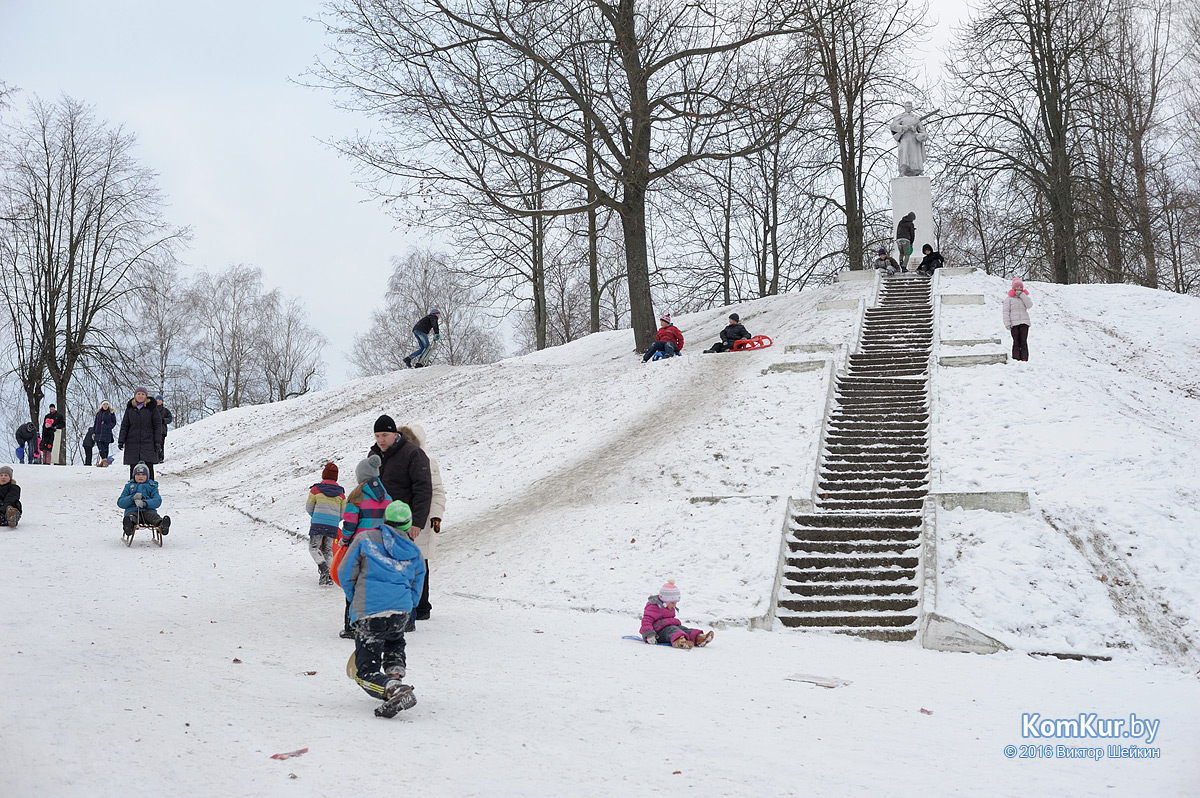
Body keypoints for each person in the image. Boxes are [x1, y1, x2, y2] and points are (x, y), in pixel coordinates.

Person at [339, 499, 424, 717]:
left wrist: (356, 598)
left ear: (384, 520)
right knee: (395, 641)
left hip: (371, 610)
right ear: (408, 524)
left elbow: (345, 573)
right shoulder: (414, 552)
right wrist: (408, 605)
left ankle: (393, 689)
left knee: (364, 671)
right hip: (400, 612)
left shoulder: (364, 539)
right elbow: (417, 585)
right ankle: (394, 677)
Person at [369, 414, 433, 630]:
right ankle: (384, 612)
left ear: (395, 434)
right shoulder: (375, 454)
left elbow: (424, 490)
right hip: (379, 521)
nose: (381, 440)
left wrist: (417, 522)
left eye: (385, 435)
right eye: (378, 436)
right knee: (383, 567)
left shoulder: (413, 454)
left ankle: (409, 617)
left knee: (405, 569)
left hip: (403, 523)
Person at [338, 454, 394, 638]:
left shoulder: (356, 497)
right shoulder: (387, 497)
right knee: (375, 586)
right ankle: (376, 625)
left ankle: (352, 626)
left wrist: (344, 540)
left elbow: (349, 524)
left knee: (354, 584)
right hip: (381, 547)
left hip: (360, 547)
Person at [400, 424, 444, 621]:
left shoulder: (427, 462)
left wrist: (436, 516)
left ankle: (422, 606)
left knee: (420, 562)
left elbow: (436, 492)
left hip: (422, 518)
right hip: (399, 517)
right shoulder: (396, 461)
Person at [639, 580, 714, 649]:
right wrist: (650, 635)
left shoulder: (668, 607)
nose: (674, 605)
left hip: (668, 629)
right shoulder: (654, 607)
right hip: (656, 633)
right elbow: (646, 620)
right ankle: (680, 641)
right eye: (672, 603)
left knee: (682, 628)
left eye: (676, 603)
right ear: (665, 601)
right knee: (672, 629)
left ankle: (699, 638)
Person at [306, 461, 346, 586]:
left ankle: (323, 567)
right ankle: (328, 577)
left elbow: (309, 507)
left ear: (324, 475)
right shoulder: (341, 494)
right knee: (328, 550)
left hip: (318, 523)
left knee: (314, 547)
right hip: (332, 525)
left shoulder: (316, 489)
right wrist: (334, 520)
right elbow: (343, 512)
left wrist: (316, 516)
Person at [117, 461, 171, 542]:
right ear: (134, 475)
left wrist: (146, 503)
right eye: (138, 474)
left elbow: (157, 501)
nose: (140, 477)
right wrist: (132, 498)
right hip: (133, 510)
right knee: (131, 517)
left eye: (143, 475)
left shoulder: (152, 486)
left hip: (148, 510)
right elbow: (120, 502)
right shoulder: (129, 486)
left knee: (153, 517)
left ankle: (162, 525)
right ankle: (129, 526)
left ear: (147, 476)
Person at [118, 387, 163, 480]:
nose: (140, 396)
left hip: (148, 442)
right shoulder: (130, 409)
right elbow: (125, 425)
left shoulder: (152, 409)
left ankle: (150, 490)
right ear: (135, 396)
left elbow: (158, 426)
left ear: (146, 396)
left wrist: (158, 441)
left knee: (148, 467)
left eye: (143, 394)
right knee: (134, 468)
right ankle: (133, 489)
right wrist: (121, 440)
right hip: (132, 442)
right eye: (138, 394)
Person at [889, 102, 929, 177]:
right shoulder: (900, 117)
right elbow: (893, 127)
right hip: (905, 139)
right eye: (907, 106)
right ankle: (904, 171)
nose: (908, 107)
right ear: (904, 107)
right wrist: (904, 127)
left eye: (910, 106)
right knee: (905, 155)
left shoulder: (916, 118)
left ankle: (917, 171)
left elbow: (922, 131)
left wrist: (917, 133)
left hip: (914, 140)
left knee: (915, 155)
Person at [1003, 277, 1033, 362]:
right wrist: (1007, 323)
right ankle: (1016, 359)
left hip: (1024, 322)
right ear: (1013, 287)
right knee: (1016, 342)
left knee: (1023, 341)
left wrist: (1022, 295)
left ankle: (1024, 358)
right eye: (1017, 287)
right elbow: (1005, 312)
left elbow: (1030, 305)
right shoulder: (1009, 299)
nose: (1019, 288)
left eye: (1020, 287)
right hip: (1014, 324)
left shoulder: (1024, 297)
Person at [93, 401, 117, 466]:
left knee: (105, 447)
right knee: (100, 446)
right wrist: (93, 431)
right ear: (102, 405)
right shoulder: (98, 413)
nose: (105, 405)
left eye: (107, 404)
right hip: (98, 432)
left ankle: (104, 462)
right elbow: (95, 423)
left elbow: (114, 422)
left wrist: (108, 427)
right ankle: (104, 460)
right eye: (104, 404)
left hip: (107, 433)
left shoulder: (111, 413)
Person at [155, 396, 173, 461]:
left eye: (159, 400)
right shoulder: (152, 410)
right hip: (154, 430)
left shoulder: (165, 410)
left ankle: (161, 457)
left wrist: (163, 420)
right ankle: (155, 458)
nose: (158, 401)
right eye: (157, 399)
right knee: (154, 444)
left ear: (162, 401)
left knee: (161, 444)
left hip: (162, 430)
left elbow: (170, 418)